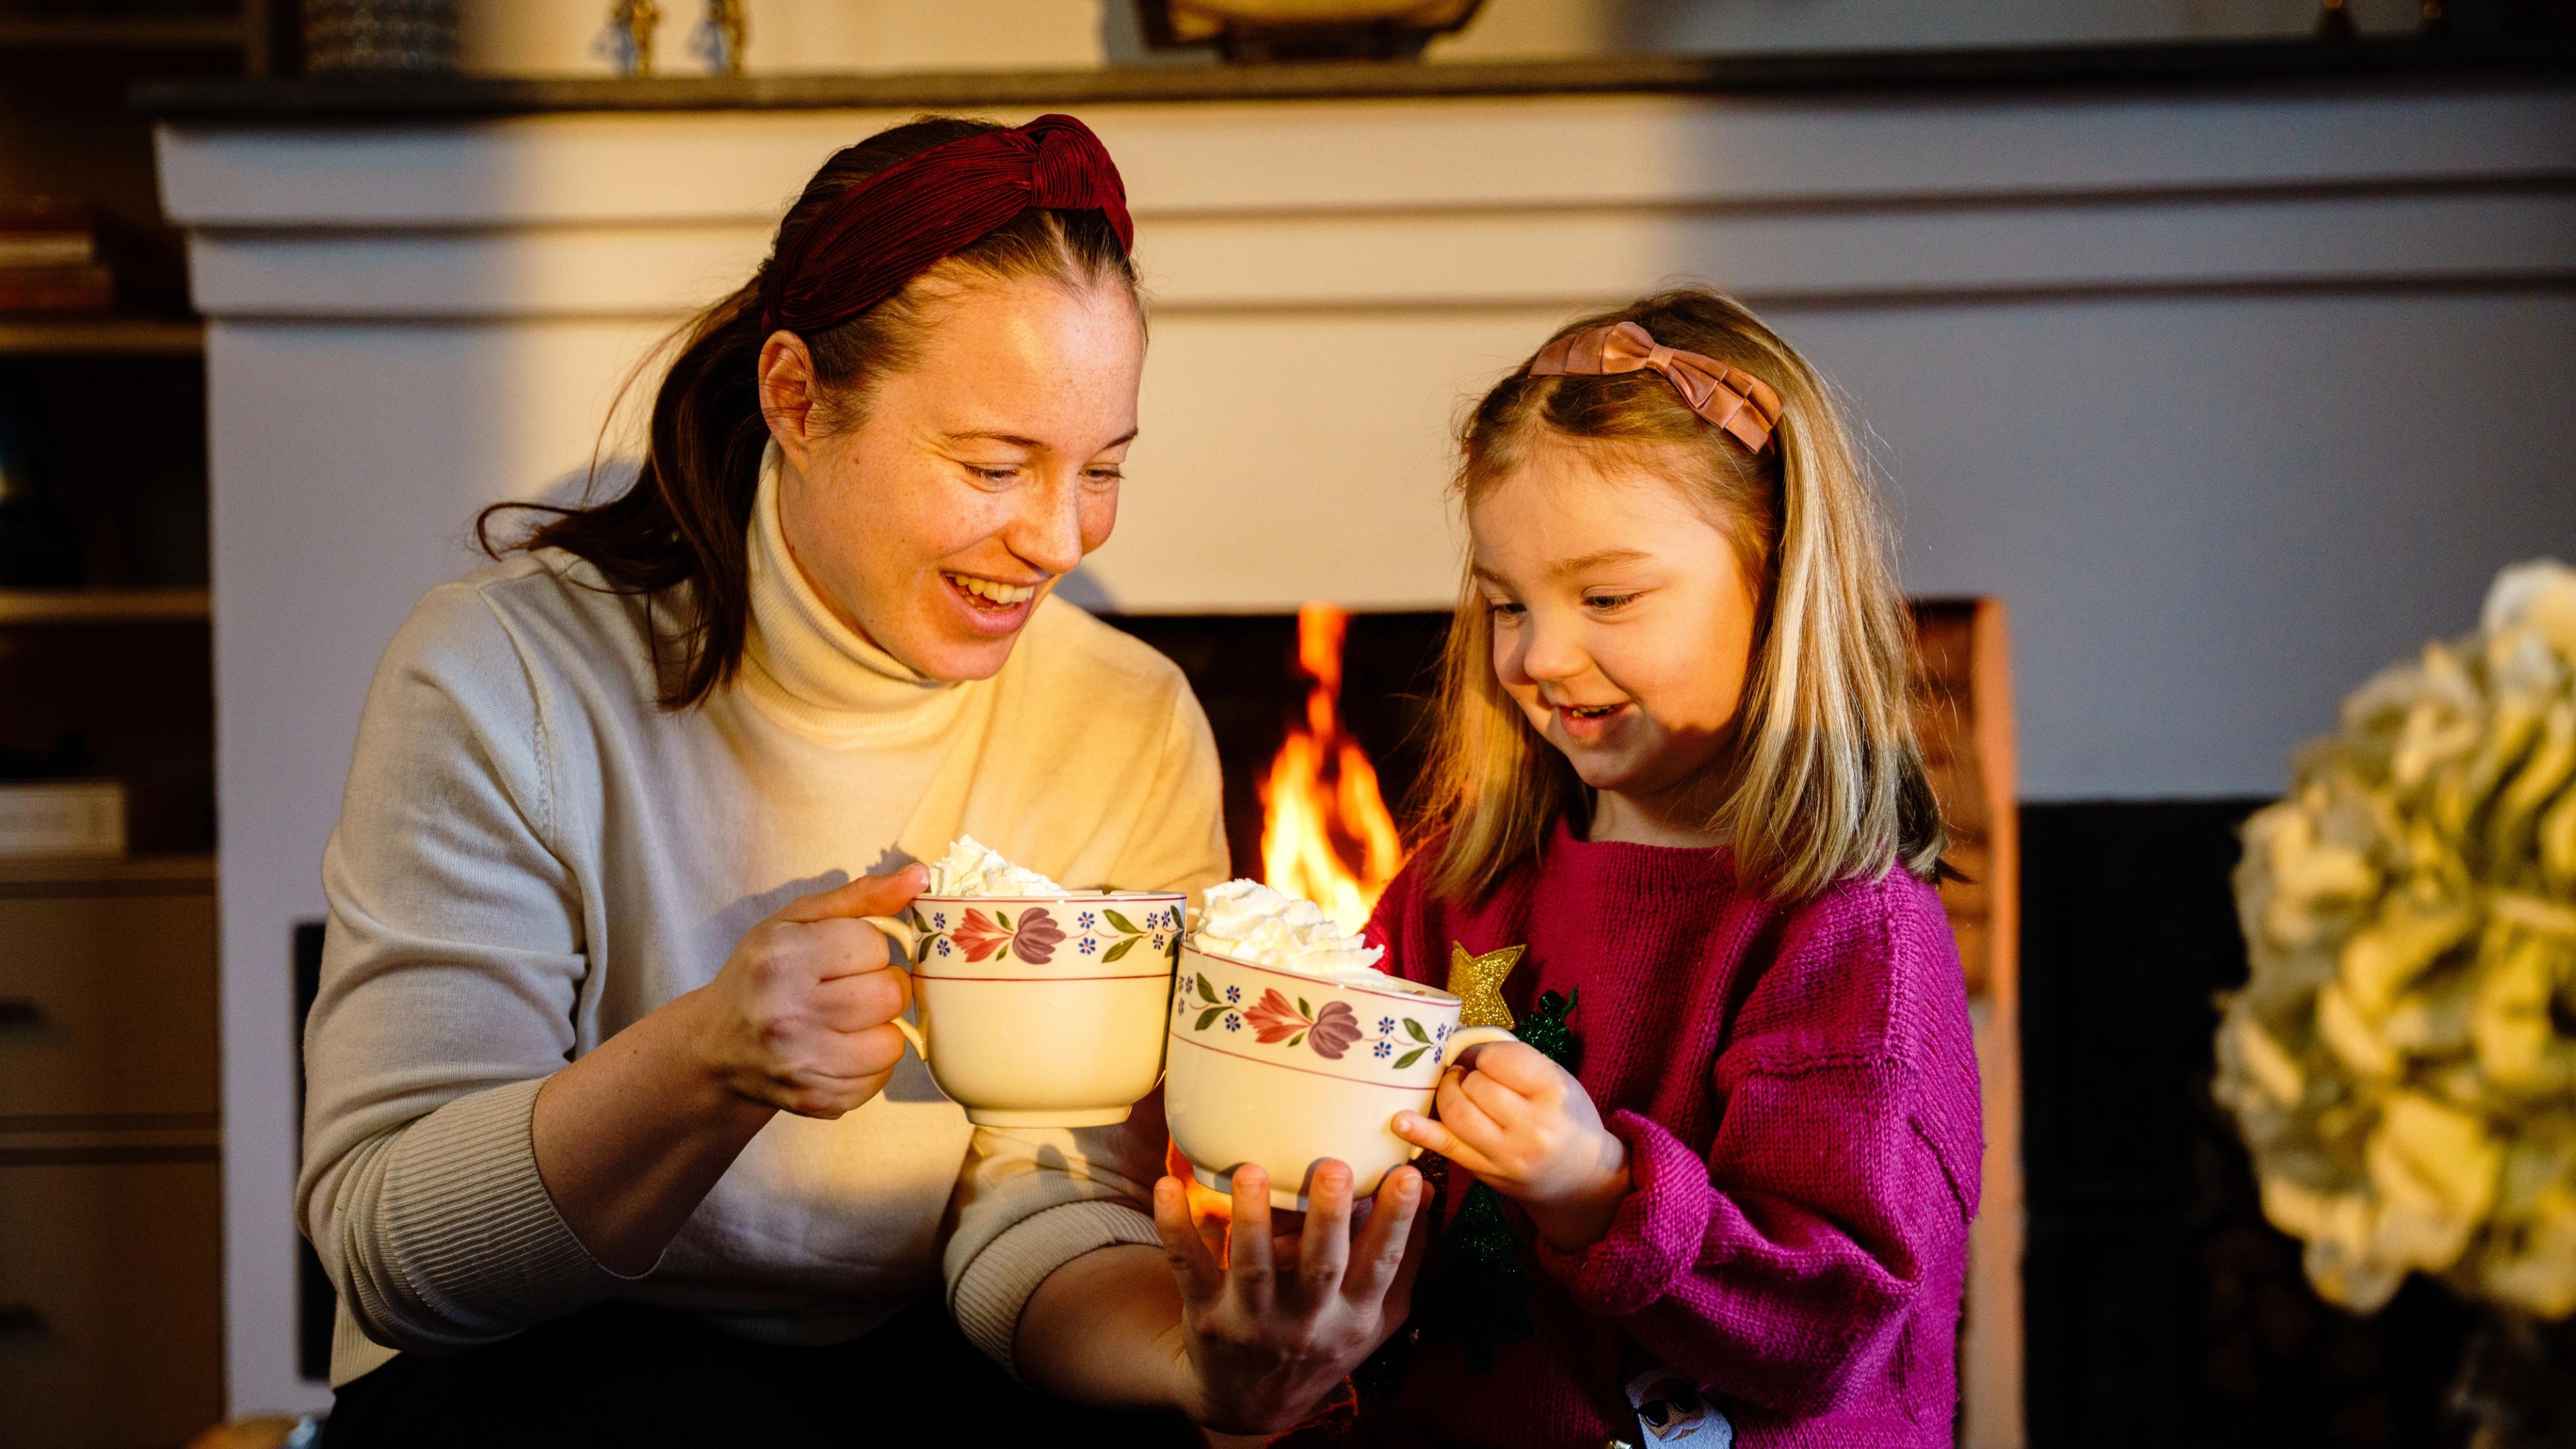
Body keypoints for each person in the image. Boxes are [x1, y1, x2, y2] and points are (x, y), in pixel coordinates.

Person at [301, 113, 1424, 1446]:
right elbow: (388, 1249)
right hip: (537, 1352)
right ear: (798, 397)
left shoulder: (1122, 718)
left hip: (925, 1335)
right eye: (993, 466)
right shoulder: (507, 678)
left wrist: (1194, 1364)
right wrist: (700, 1068)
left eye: (1104, 470)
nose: (1058, 538)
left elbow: (1046, 1198)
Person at [1348, 288, 1984, 1446]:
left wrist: (1598, 1194)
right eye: (1505, 604)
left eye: (1608, 597)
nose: (1539, 655)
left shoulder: (1850, 930)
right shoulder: (1462, 885)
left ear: (1775, 575)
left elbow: (1836, 1322)